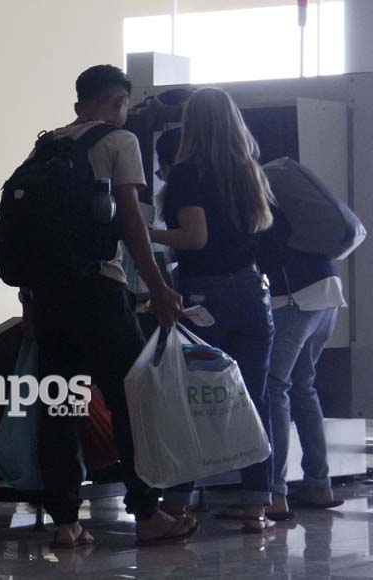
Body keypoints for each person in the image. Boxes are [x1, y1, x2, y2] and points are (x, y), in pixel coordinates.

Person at [21, 64, 188, 548]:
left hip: (49, 296)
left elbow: (28, 232)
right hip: (99, 291)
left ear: (79, 102)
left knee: (61, 406)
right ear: (119, 102)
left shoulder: (46, 146)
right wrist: (158, 286)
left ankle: (65, 522)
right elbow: (130, 221)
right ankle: (147, 513)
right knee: (132, 400)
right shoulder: (120, 141)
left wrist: (29, 301)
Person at [149, 87, 277, 532]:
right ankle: (257, 504)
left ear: (192, 124)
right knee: (254, 397)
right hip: (252, 291)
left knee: (192, 397)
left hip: (206, 295)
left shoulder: (188, 173)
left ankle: (178, 501)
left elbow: (195, 238)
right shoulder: (249, 171)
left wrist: (145, 233)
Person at [257, 207, 346, 515]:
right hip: (328, 289)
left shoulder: (254, 196)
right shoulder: (288, 196)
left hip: (295, 297)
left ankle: (275, 493)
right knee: (302, 386)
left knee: (275, 386)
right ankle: (319, 485)